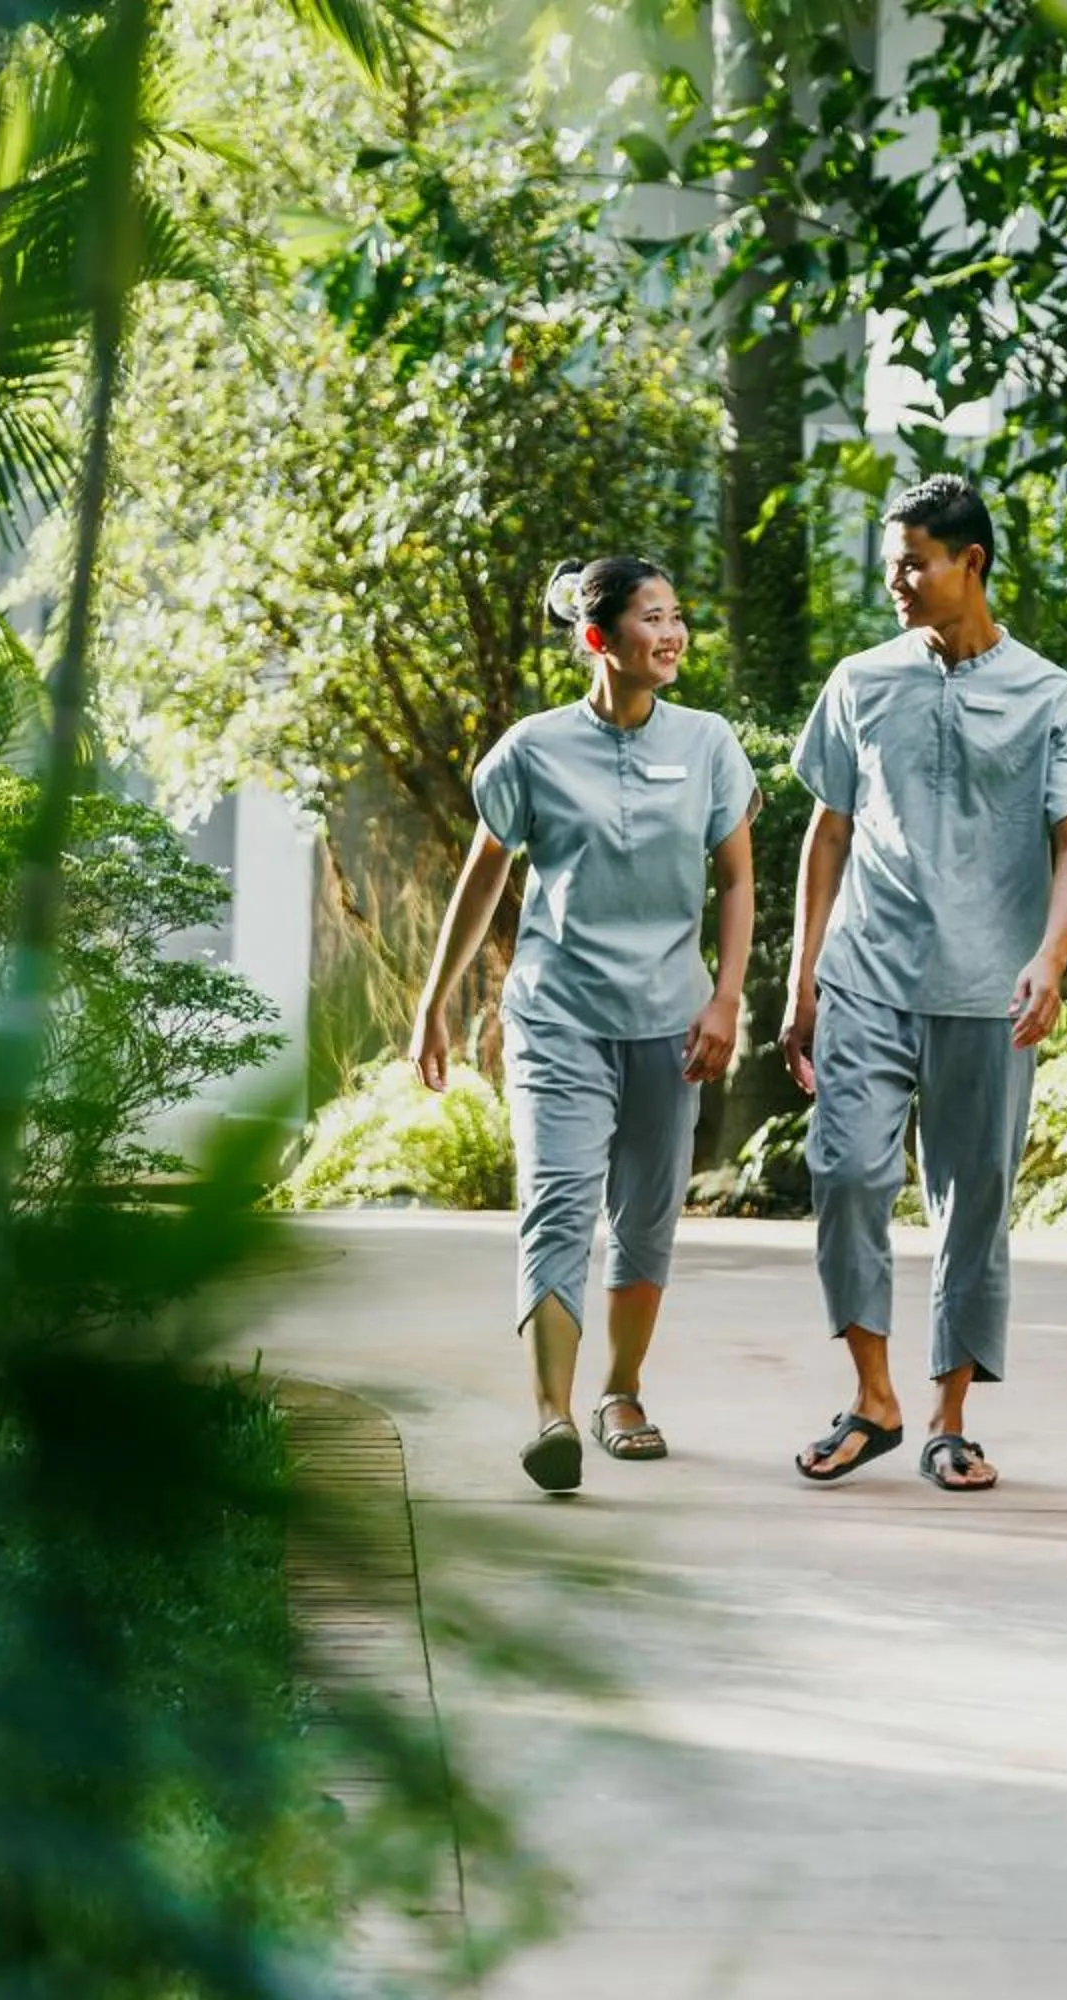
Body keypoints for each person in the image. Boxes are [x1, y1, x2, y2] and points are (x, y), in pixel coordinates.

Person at [782, 476, 1067, 1493]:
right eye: (891, 562)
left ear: (971, 563)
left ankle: (949, 1419)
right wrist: (800, 978)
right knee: (845, 1171)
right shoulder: (860, 681)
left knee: (974, 1207)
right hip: (866, 973)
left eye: (914, 563)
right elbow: (828, 830)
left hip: (987, 991)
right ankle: (874, 1398)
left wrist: (1050, 957)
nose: (896, 580)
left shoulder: (1050, 694)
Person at [412, 556, 760, 1493]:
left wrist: (726, 997)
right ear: (600, 639)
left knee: (645, 1215)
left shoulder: (709, 743)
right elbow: (485, 874)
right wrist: (435, 1001)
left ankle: (622, 1392)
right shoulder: (533, 749)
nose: (673, 633)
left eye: (677, 615)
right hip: (558, 1016)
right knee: (557, 1204)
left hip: (670, 1023)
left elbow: (735, 879)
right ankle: (552, 1416)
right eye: (653, 617)